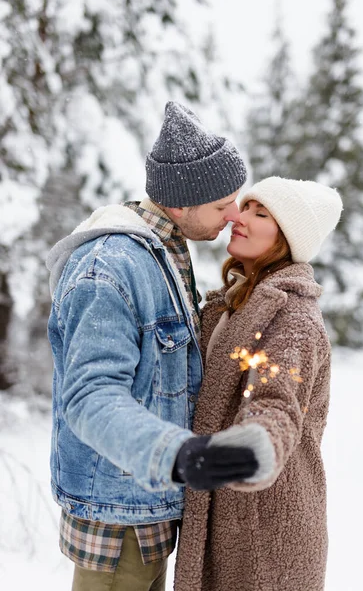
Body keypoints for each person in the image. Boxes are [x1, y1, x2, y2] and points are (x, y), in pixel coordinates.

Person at [46, 101, 266, 591]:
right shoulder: (110, 268)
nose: (234, 215)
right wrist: (179, 453)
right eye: (221, 205)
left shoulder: (165, 251)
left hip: (147, 506)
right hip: (117, 515)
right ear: (181, 204)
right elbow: (90, 398)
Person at [174, 176, 343, 591]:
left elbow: (275, 403)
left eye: (260, 213)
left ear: (287, 238)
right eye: (245, 207)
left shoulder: (293, 318)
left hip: (267, 535)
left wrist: (255, 446)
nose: (239, 217)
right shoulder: (232, 302)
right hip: (228, 518)